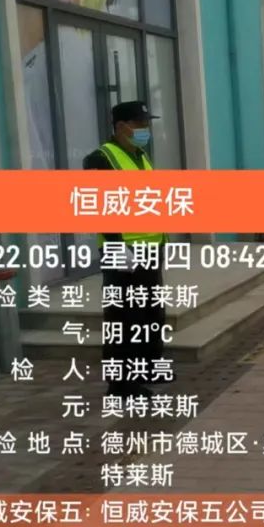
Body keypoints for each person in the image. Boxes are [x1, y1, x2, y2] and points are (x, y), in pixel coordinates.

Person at [83, 100, 169, 399]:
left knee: (151, 314)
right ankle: (121, 385)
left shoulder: (140, 155)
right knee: (124, 319)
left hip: (150, 250)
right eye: (139, 124)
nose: (145, 129)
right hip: (123, 253)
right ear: (121, 126)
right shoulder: (100, 159)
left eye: (147, 124)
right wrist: (118, 248)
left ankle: (148, 368)